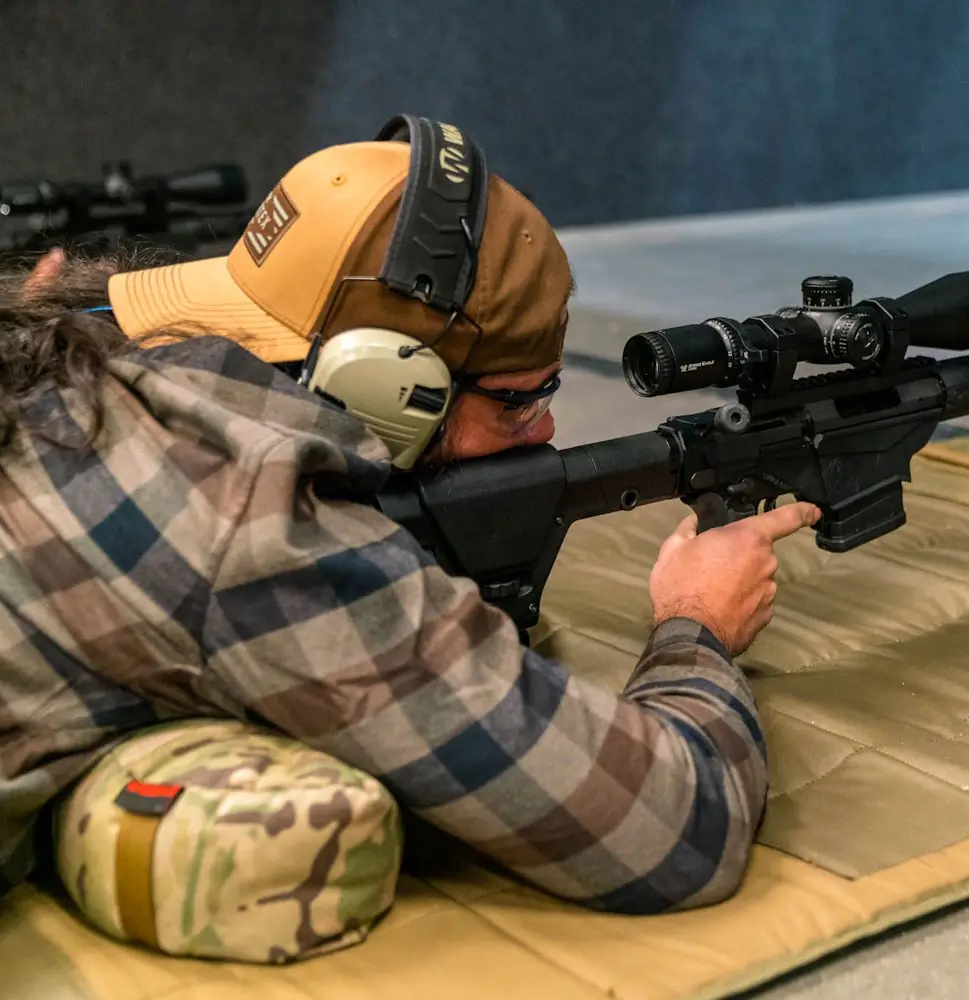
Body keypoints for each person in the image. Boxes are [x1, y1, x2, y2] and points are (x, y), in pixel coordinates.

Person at [0, 124, 819, 914]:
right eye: (521, 399)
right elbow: (676, 827)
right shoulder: (251, 521)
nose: (545, 432)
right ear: (389, 387)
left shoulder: (66, 338)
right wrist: (696, 626)